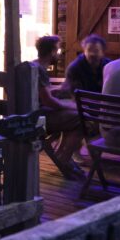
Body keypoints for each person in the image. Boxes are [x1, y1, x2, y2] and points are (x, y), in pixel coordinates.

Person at [33, 35, 85, 178]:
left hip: (32, 113)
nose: (59, 53)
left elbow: (42, 95)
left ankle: (62, 153)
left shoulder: (33, 65)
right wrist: (70, 107)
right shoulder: (40, 70)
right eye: (58, 50)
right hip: (38, 119)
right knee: (82, 118)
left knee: (73, 113)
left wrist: (58, 93)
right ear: (52, 52)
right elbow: (49, 101)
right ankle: (64, 158)